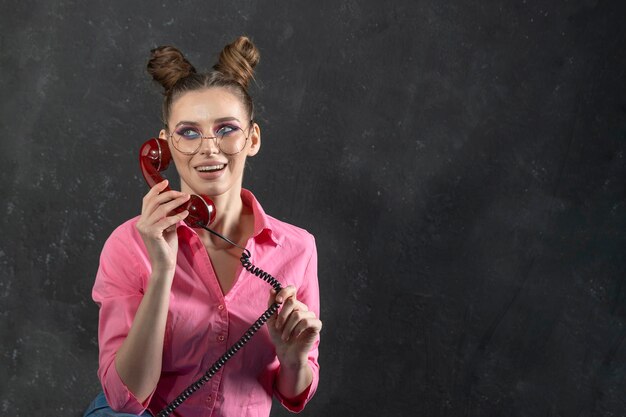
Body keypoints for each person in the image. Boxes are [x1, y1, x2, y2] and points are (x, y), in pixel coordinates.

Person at [83, 36, 322, 417]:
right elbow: (125, 400)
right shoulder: (128, 244)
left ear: (253, 138)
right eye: (189, 132)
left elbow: (294, 394)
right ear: (162, 147)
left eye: (226, 129)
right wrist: (162, 271)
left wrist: (294, 360)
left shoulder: (297, 247)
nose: (208, 148)